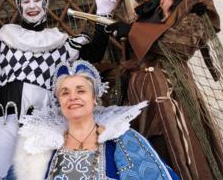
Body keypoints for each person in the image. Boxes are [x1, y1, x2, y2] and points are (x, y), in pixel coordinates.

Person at [0, 0, 116, 180]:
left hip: (44, 121)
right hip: (6, 119)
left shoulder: (58, 41)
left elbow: (92, 56)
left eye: (37, 0)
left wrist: (101, 18)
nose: (32, 6)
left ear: (45, 3)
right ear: (19, 7)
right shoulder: (5, 36)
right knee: (0, 173)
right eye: (26, 1)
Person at [104, 0, 223, 179]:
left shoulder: (189, 5)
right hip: (138, 103)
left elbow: (181, 45)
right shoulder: (133, 17)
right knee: (150, 162)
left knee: (184, 154)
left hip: (173, 95)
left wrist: (133, 32)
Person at [13, 60, 180, 180]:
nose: (73, 97)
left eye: (81, 91)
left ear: (94, 98)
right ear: (59, 102)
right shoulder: (40, 147)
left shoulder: (123, 141)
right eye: (65, 92)